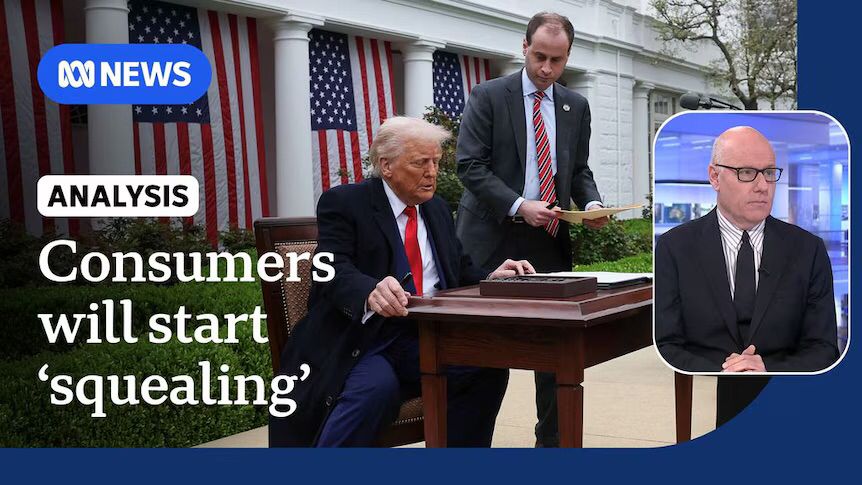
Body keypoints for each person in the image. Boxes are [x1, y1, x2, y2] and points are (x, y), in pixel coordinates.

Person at [270, 116, 535, 447]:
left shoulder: (436, 209)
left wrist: (493, 277)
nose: (432, 172)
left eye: (436, 162)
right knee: (376, 389)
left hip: (424, 339)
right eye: (420, 163)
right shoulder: (346, 203)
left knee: (487, 368)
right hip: (367, 340)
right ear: (387, 165)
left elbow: (461, 269)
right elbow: (330, 267)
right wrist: (369, 290)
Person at [455, 11, 608, 447]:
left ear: (567, 57)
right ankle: (469, 447)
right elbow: (469, 166)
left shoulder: (575, 105)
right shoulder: (487, 96)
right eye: (539, 56)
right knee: (484, 355)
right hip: (490, 240)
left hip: (548, 241)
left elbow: (578, 170)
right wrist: (521, 206)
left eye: (557, 61)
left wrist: (592, 203)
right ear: (523, 47)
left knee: (556, 356)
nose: (546, 68)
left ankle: (553, 448)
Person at [655, 126, 839, 425]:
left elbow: (823, 348)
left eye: (768, 173)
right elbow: (667, 344)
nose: (762, 185)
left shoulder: (808, 250)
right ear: (714, 177)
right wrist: (728, 368)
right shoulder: (675, 247)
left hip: (786, 397)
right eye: (746, 173)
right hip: (708, 389)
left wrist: (766, 366)